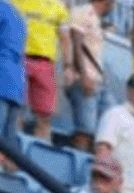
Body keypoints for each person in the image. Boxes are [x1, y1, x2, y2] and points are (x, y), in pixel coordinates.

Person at [61, 0, 109, 153]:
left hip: (97, 81)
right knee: (85, 130)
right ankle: (76, 163)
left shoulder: (95, 18)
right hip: (84, 78)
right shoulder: (83, 11)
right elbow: (76, 42)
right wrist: (83, 75)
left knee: (107, 128)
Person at [15, 0, 62, 140]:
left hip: (46, 63)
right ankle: (11, 155)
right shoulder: (16, 2)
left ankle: (41, 155)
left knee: (45, 116)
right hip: (20, 58)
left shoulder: (57, 6)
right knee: (16, 111)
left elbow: (65, 37)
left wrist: (69, 66)